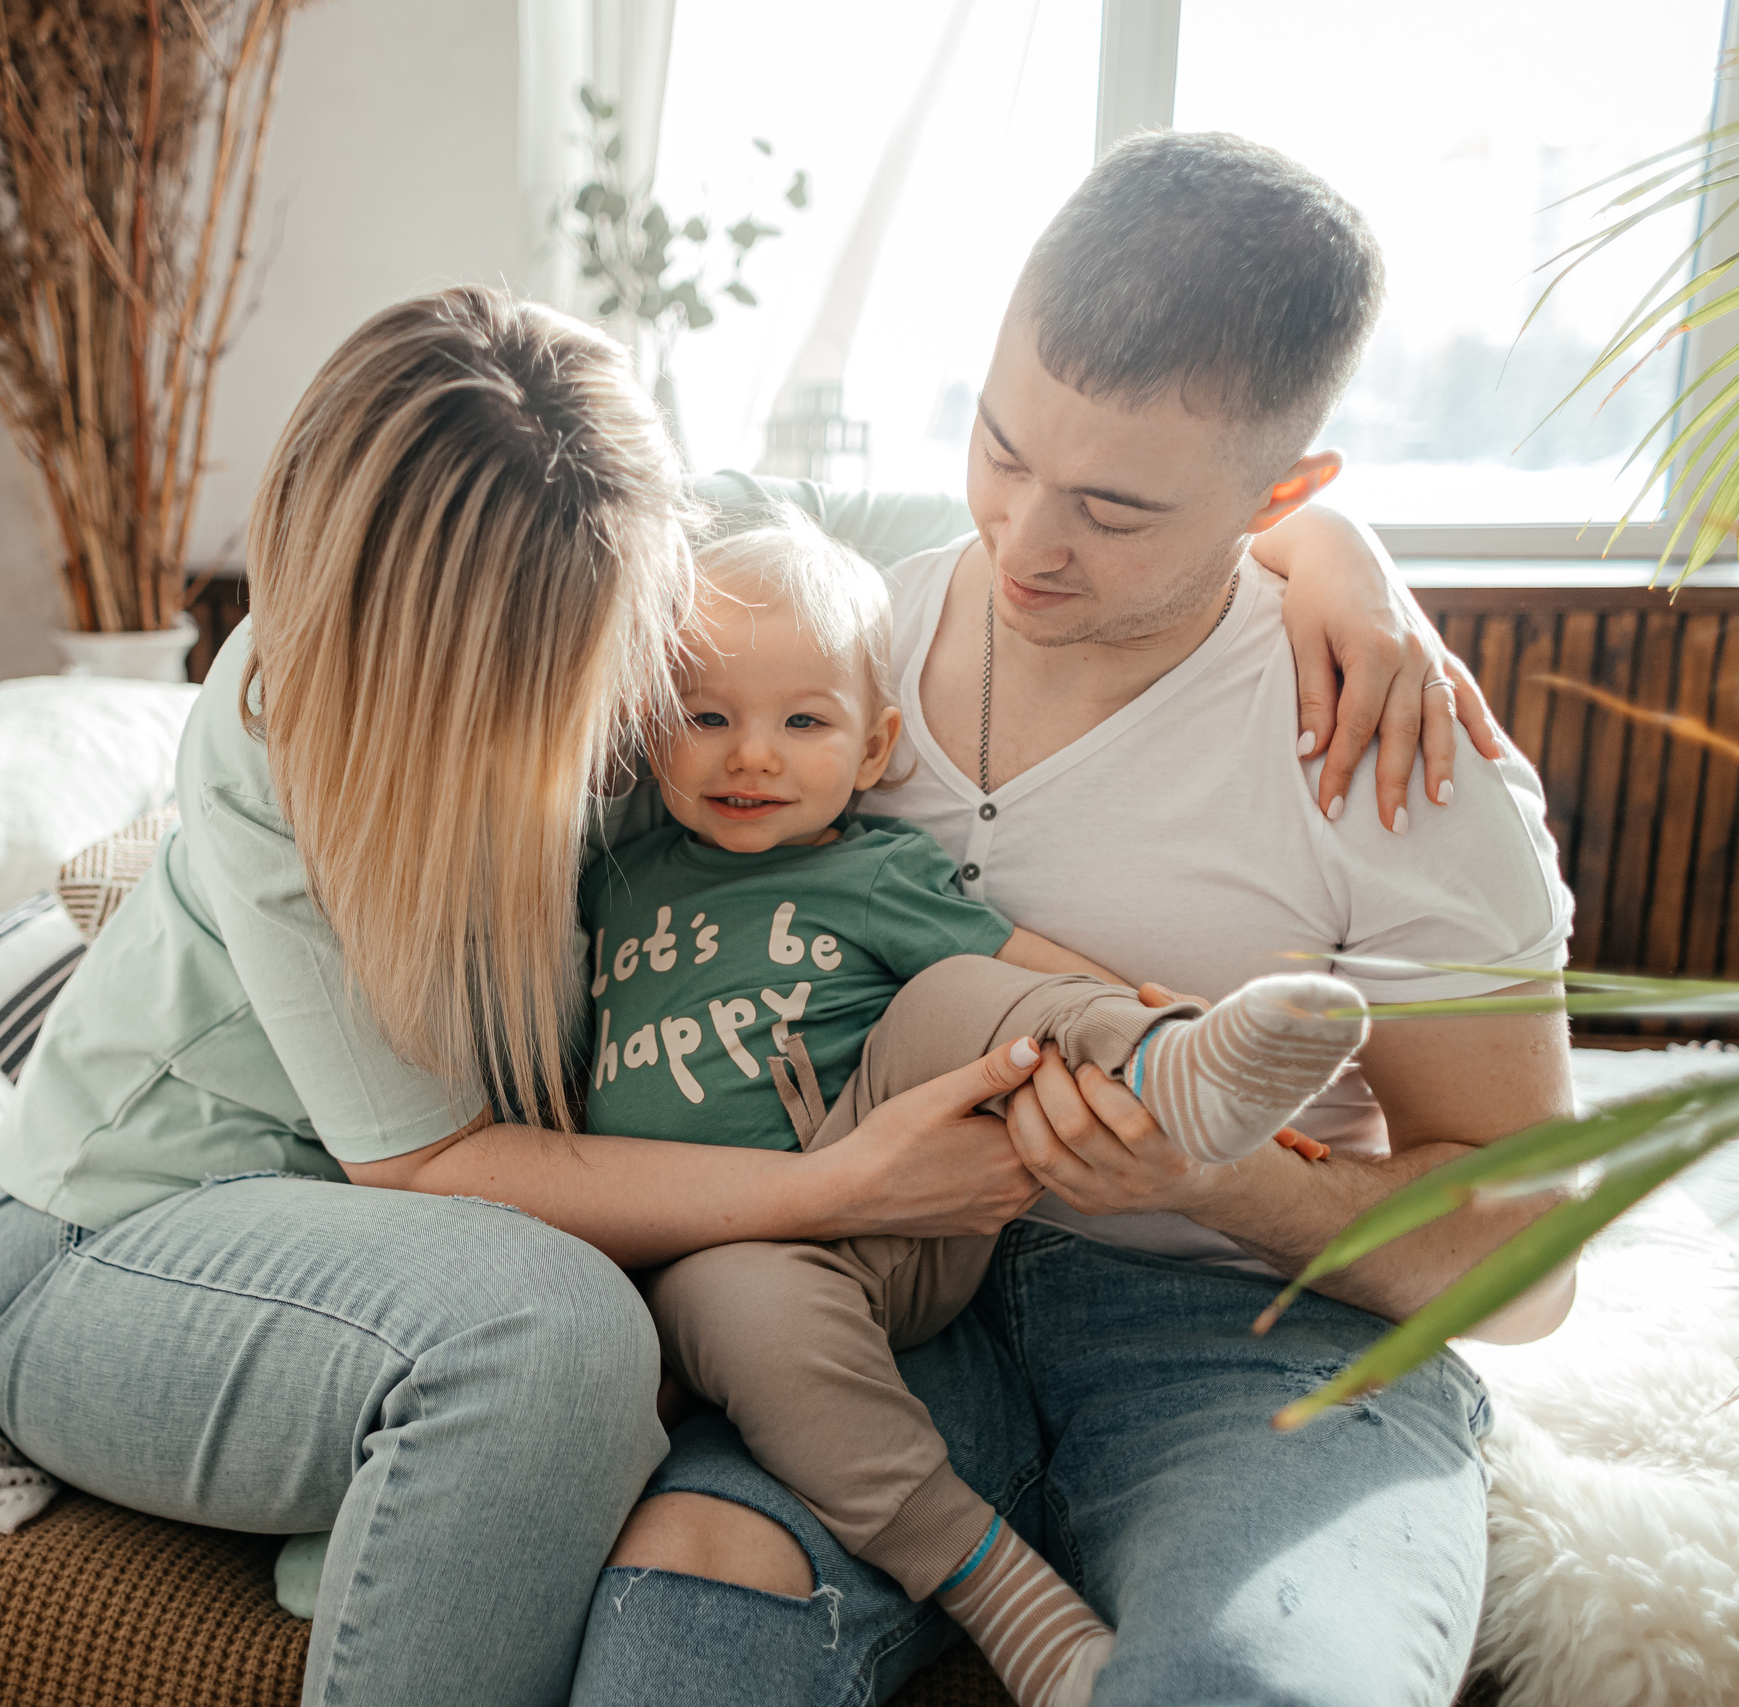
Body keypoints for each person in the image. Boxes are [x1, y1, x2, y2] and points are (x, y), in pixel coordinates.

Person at [0, 281, 1489, 1705]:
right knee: (551, 1336)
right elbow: (424, 1165)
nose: (587, 718)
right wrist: (831, 1182)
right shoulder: (281, 729)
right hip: (140, 1228)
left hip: (481, 1237)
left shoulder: (693, 562)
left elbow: (1053, 535)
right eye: (512, 676)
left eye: (606, 652)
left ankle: (1179, 1069)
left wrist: (1340, 562)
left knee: (700, 1232)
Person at [576, 132, 1575, 1707]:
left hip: (1241, 1328)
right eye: (999, 446)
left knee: (1257, 1680)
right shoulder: (830, 650)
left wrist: (1235, 1186)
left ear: (1284, 493)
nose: (1027, 538)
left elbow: (1529, 1261)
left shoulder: (1386, 748)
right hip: (878, 1290)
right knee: (676, 1629)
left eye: (1114, 507)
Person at [585, 516, 1372, 1707]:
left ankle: (1183, 1072)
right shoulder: (614, 878)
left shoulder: (875, 868)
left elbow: (1027, 962)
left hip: (891, 1219)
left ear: (873, 748)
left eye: (803, 722)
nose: (751, 756)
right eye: (708, 718)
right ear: (652, 733)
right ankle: (1004, 1594)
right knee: (739, 1295)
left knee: (963, 990)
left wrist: (1143, 1020)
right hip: (708, 1263)